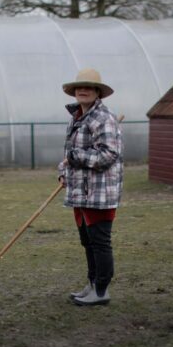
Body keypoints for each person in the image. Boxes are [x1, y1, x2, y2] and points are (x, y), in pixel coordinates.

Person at [58, 68, 123, 306]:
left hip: (99, 193)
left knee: (99, 242)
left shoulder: (103, 118)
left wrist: (75, 158)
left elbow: (108, 155)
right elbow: (69, 155)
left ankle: (102, 290)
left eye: (89, 87)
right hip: (80, 193)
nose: (82, 90)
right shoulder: (77, 118)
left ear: (98, 92)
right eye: (79, 87)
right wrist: (64, 172)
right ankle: (93, 284)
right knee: (87, 242)